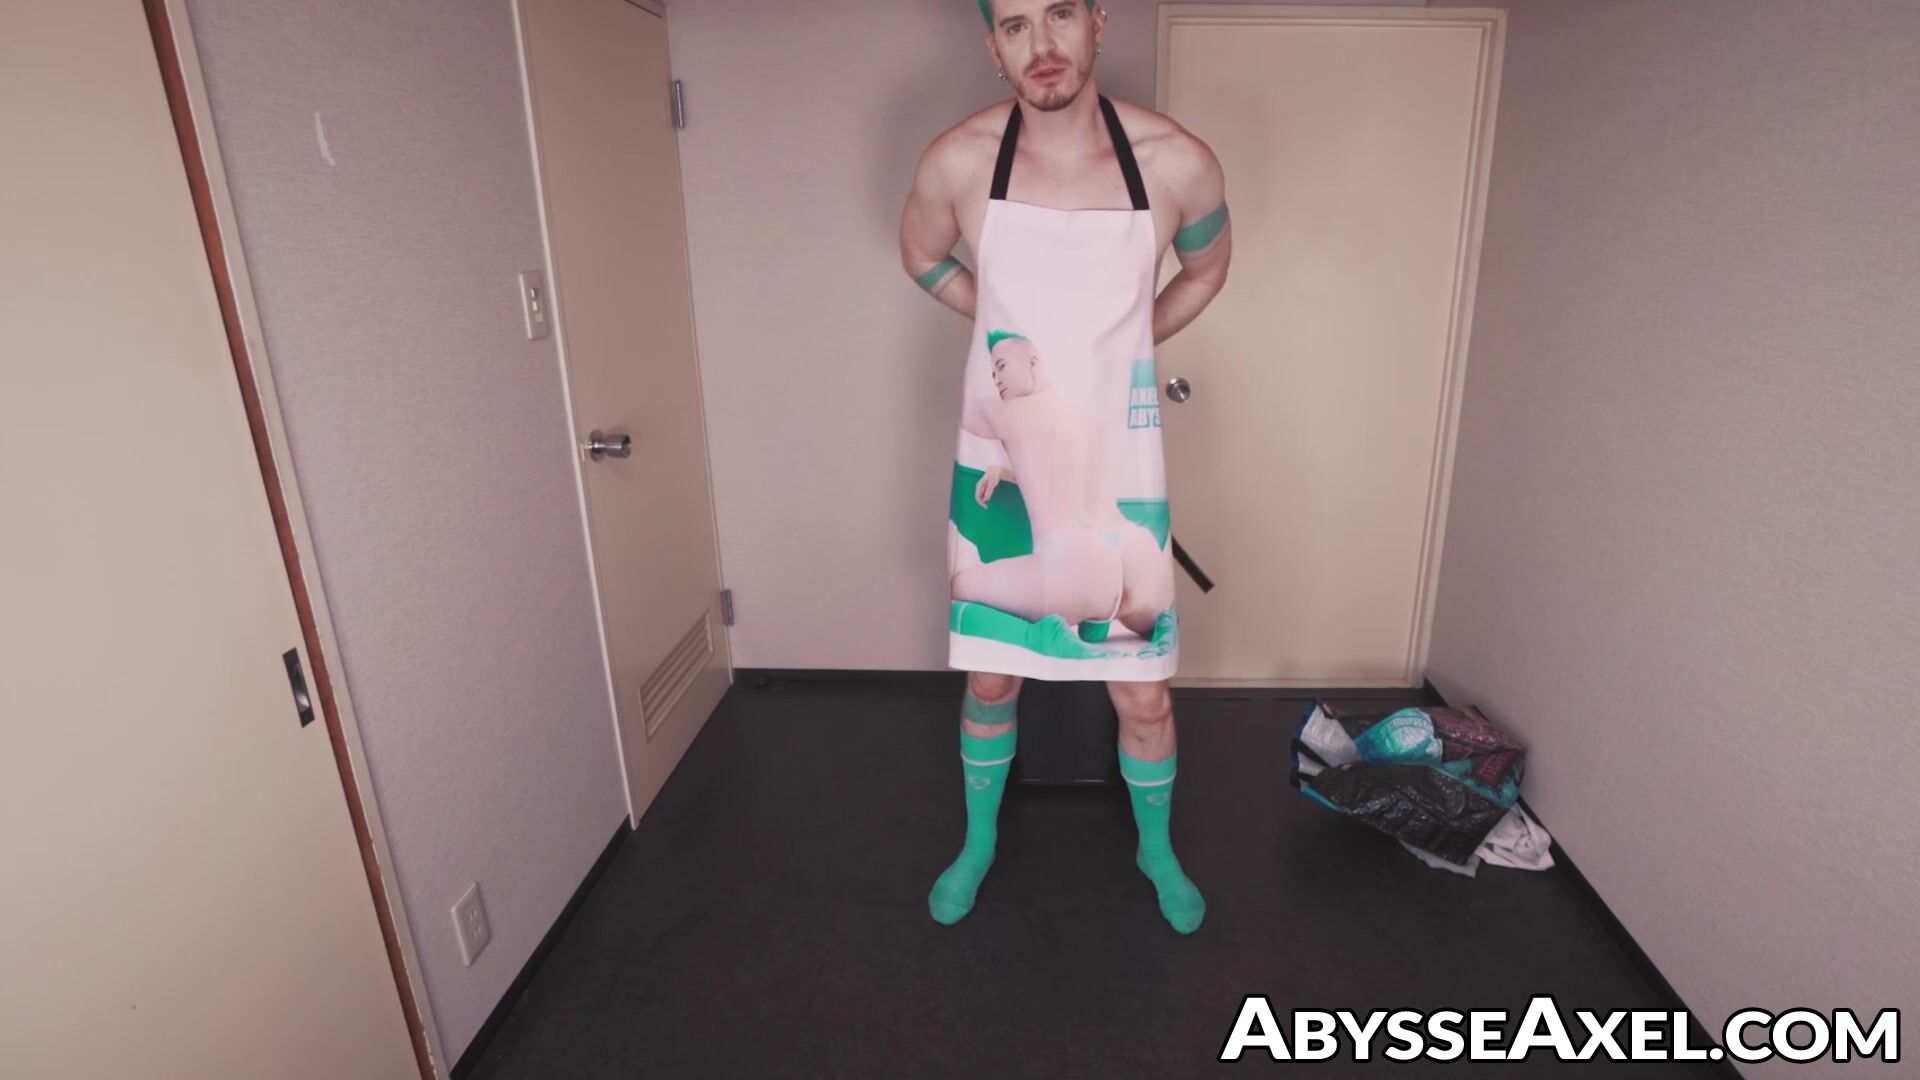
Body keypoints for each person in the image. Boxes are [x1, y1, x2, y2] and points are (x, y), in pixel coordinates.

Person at [899, 0, 1233, 934]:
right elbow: (921, 256)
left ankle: (1156, 849)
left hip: (1120, 455)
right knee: (991, 676)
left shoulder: (1175, 161)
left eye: (1058, 15)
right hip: (1002, 453)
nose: (1041, 46)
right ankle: (978, 843)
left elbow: (1207, 269)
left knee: (1144, 689)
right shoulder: (960, 160)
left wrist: (1131, 345)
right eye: (1015, 25)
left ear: (1097, 23)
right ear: (992, 47)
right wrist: (998, 332)